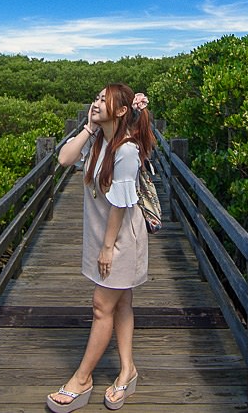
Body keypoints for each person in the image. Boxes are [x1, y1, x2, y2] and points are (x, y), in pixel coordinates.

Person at [47, 84, 155, 412]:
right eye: (94, 98)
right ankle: (127, 371)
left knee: (100, 306)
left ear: (121, 111)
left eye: (102, 100)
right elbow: (64, 158)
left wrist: (108, 248)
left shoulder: (125, 150)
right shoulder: (99, 141)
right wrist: (89, 126)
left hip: (121, 240)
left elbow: (121, 205)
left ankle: (82, 379)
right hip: (104, 236)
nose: (95, 103)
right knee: (120, 305)